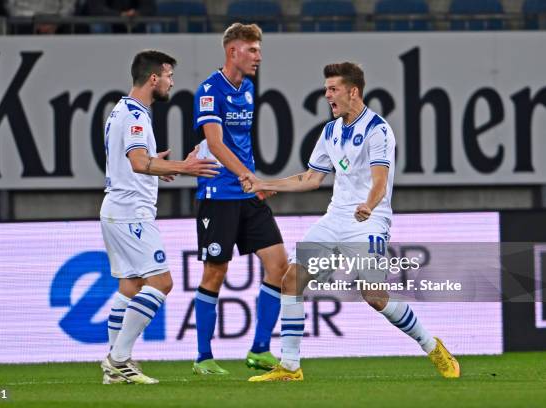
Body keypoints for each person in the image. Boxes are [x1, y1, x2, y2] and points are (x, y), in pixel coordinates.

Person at [242, 62, 461, 382]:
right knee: (291, 279)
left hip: (370, 220)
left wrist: (369, 206)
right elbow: (311, 177)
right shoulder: (330, 131)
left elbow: (380, 181)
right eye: (326, 88)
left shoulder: (378, 129)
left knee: (373, 295)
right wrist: (266, 184)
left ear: (352, 91)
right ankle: (290, 367)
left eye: (333, 89)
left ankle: (432, 346)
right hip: (336, 217)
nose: (327, 94)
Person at [99, 50, 219, 385]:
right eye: (168, 76)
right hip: (130, 213)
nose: (171, 82)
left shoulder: (120, 111)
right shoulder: (136, 116)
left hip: (116, 209)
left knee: (130, 285)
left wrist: (158, 169)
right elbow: (138, 162)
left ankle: (115, 371)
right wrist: (184, 167)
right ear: (154, 78)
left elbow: (137, 164)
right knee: (161, 282)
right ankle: (119, 359)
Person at [191, 22, 289, 375]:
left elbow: (241, 146)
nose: (258, 57)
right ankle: (203, 357)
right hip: (218, 195)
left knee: (279, 263)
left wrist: (255, 179)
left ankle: (260, 349)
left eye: (259, 50)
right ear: (232, 51)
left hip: (247, 193)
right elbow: (215, 144)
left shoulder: (247, 88)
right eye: (252, 50)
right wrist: (248, 176)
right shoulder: (208, 90)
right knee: (215, 272)